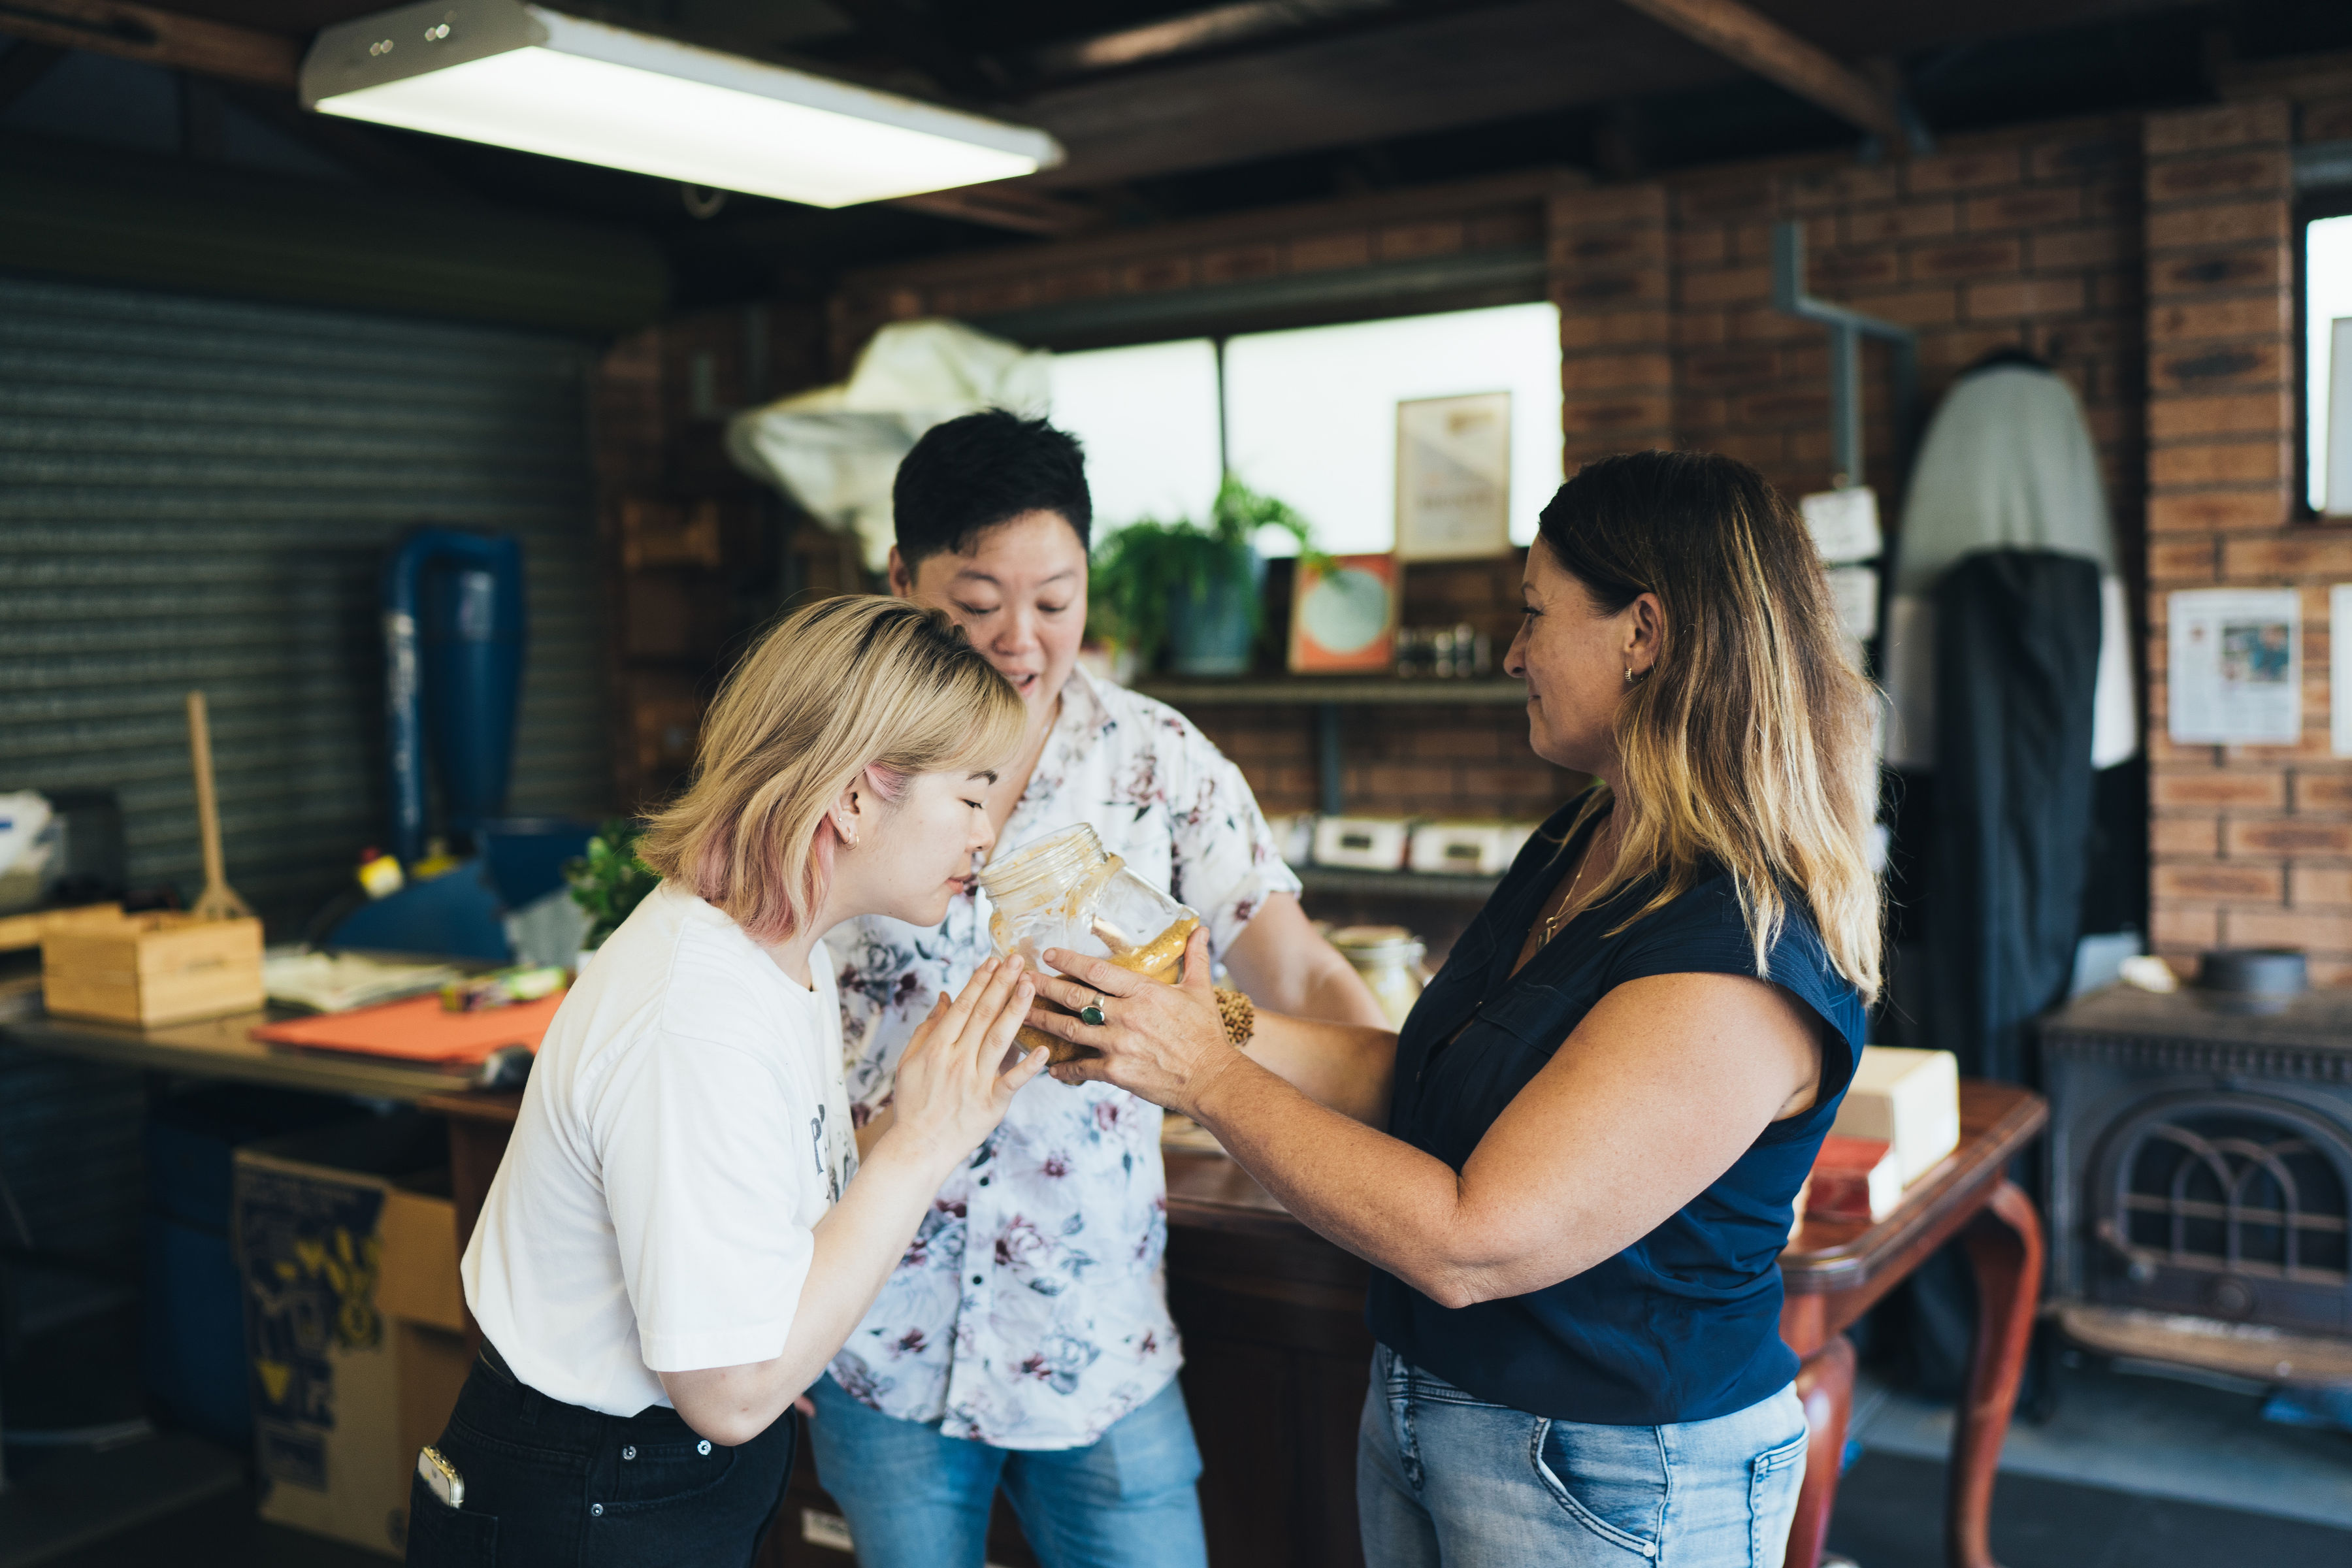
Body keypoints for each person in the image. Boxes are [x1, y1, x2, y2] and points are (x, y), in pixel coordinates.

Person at [1024, 450, 1880, 1567]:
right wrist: (1203, 1019)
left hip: (1615, 1476)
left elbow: (1470, 1240)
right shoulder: (1586, 840)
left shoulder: (1736, 951)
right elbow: (1425, 1082)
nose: (1515, 651)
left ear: (1646, 633)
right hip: (1435, 1416)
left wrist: (1203, 1075)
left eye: (1535, 614)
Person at [811, 410, 1387, 1568]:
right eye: (975, 604)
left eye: (1055, 601)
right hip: (876, 1329)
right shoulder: (828, 765)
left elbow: (1301, 968)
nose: (1019, 641)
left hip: (1096, 1333)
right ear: (898, 577)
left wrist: (1407, 1105)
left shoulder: (1157, 761)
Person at [412, 598, 1051, 1568]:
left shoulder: (784, 947)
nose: (985, 837)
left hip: (657, 1480)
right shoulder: (696, 1015)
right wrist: (923, 1145)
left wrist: (928, 1105)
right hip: (586, 1499)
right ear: (853, 797)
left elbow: (762, 1237)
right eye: (970, 796)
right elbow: (733, 1391)